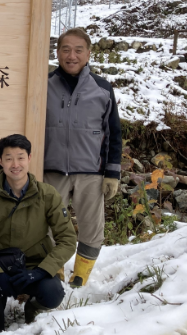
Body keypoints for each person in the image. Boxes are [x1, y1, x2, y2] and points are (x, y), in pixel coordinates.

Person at [0, 134, 76, 331]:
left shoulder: (47, 194)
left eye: (20, 157)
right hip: (0, 264)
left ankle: (32, 309)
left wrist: (41, 271)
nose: (15, 164)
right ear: (0, 161)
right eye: (8, 158)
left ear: (29, 158)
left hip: (34, 266)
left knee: (53, 294)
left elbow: (67, 240)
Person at [44, 27, 122, 287]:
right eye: (65, 49)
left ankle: (80, 278)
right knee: (47, 228)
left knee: (92, 228)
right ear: (57, 52)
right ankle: (54, 274)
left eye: (78, 50)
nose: (71, 55)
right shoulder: (43, 84)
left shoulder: (102, 88)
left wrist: (112, 173)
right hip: (51, 171)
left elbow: (113, 134)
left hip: (90, 172)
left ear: (88, 54)